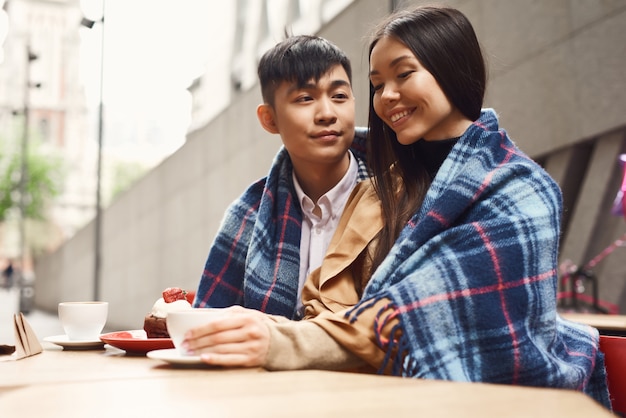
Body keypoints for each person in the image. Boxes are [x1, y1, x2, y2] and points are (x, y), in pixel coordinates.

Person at [184, 5, 611, 408]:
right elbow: (329, 302)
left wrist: (278, 340)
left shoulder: (518, 188)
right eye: (377, 84)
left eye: (403, 74)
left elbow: (424, 310)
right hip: (381, 397)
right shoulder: (389, 187)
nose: (387, 96)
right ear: (269, 119)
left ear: (451, 69)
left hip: (512, 401)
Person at [193, 35, 369, 320]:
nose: (327, 113)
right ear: (269, 119)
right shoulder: (247, 217)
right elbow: (206, 324)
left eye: (339, 96)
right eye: (305, 98)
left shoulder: (396, 193)